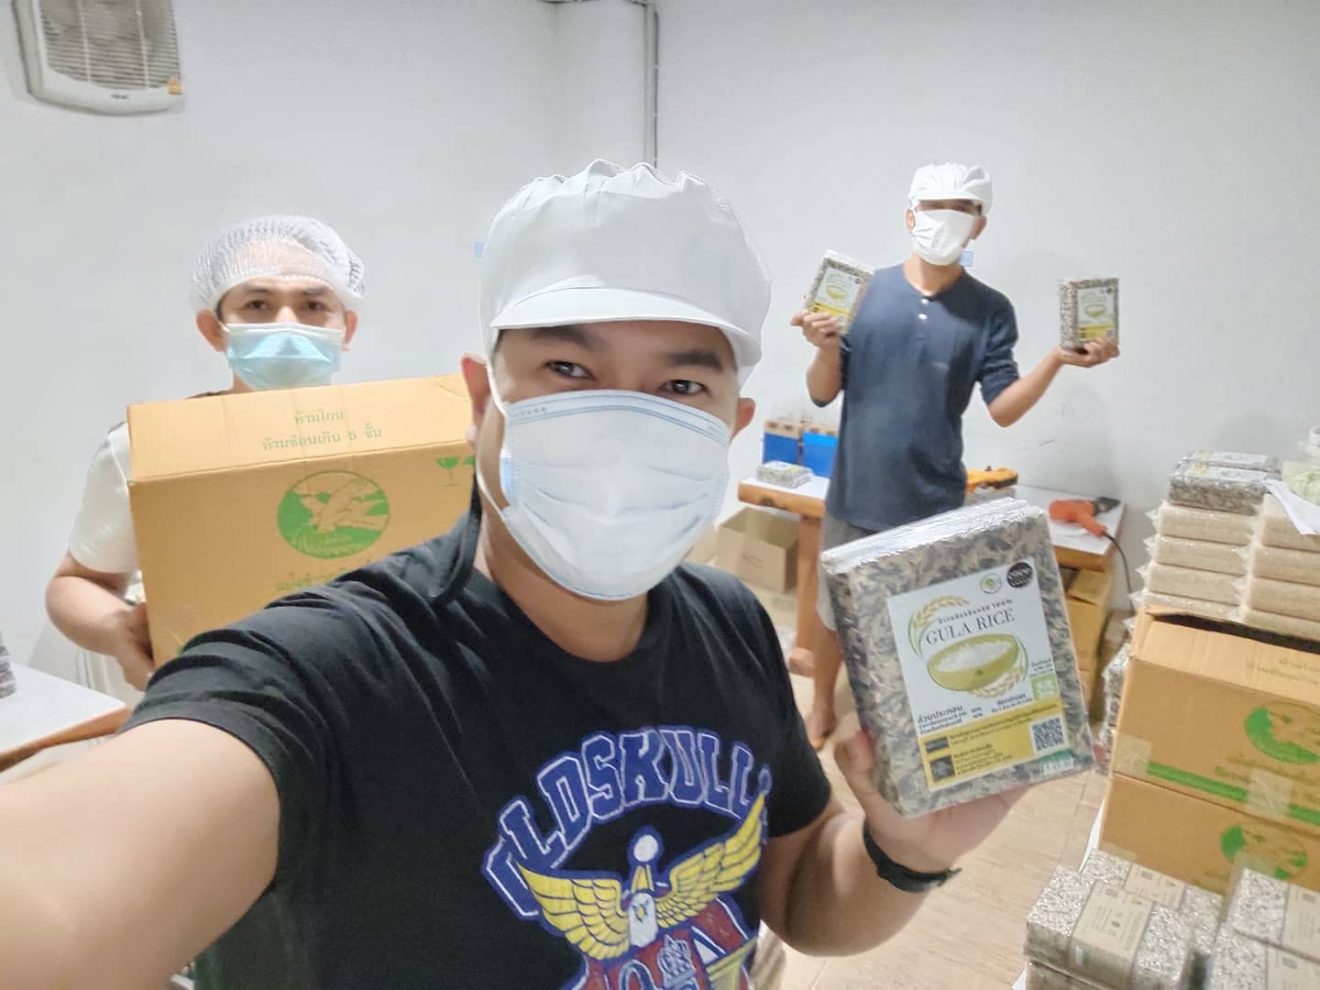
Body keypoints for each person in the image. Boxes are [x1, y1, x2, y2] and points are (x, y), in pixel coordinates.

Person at [0, 161, 1025, 989]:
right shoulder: (332, 673)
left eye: (680, 384)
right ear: (482, 395)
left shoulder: (729, 622)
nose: (622, 421)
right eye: (569, 370)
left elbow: (798, 893)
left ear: (733, 423)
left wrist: (905, 852)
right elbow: (56, 896)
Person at [792, 163, 1120, 749]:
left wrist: (1057, 360)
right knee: (833, 613)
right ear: (910, 215)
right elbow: (822, 391)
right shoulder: (864, 293)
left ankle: (888, 720)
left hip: (931, 498)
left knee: (914, 618)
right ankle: (820, 705)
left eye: (962, 209)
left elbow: (1003, 408)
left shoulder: (989, 309)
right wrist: (823, 347)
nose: (946, 219)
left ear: (980, 224)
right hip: (856, 488)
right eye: (933, 206)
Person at [44, 216, 365, 698]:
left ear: (346, 327)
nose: (287, 324)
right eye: (257, 304)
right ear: (215, 330)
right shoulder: (151, 447)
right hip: (210, 699)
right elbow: (75, 584)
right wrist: (118, 631)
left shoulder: (400, 441)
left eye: (313, 305)